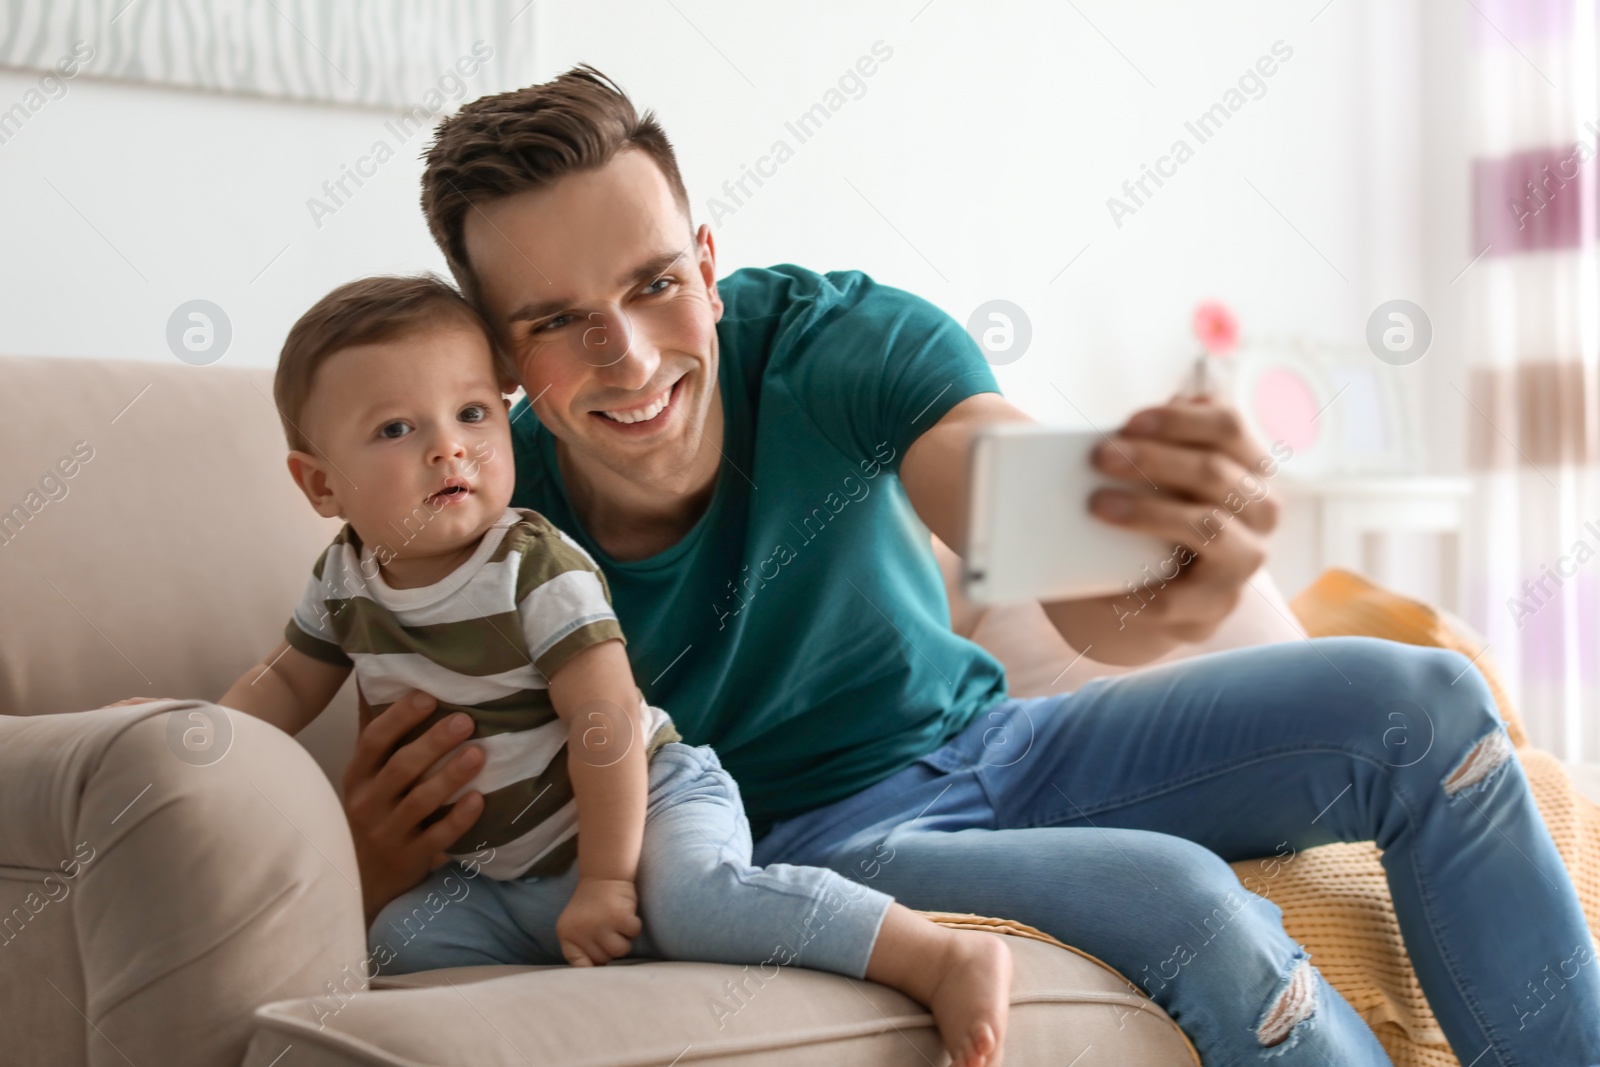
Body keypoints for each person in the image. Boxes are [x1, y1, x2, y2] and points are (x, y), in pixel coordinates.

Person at [336, 66, 1600, 1064]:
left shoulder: (833, 343)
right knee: (1190, 903)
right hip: (816, 846)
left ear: (708, 267)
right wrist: (368, 861)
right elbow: (436, 788)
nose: (626, 354)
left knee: (1428, 704)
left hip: (1005, 742)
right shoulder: (475, 516)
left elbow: (1026, 513)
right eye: (557, 321)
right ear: (501, 361)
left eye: (656, 283)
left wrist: (1163, 552)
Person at [119, 274, 1013, 1067]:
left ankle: (936, 955)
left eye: (471, 413)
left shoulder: (533, 563)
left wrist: (609, 878)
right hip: (509, 871)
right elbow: (279, 684)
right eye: (397, 428)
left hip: (647, 801)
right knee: (400, 940)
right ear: (320, 485)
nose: (448, 447)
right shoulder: (344, 579)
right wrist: (193, 735)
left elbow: (607, 721)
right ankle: (613, 967)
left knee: (696, 900)